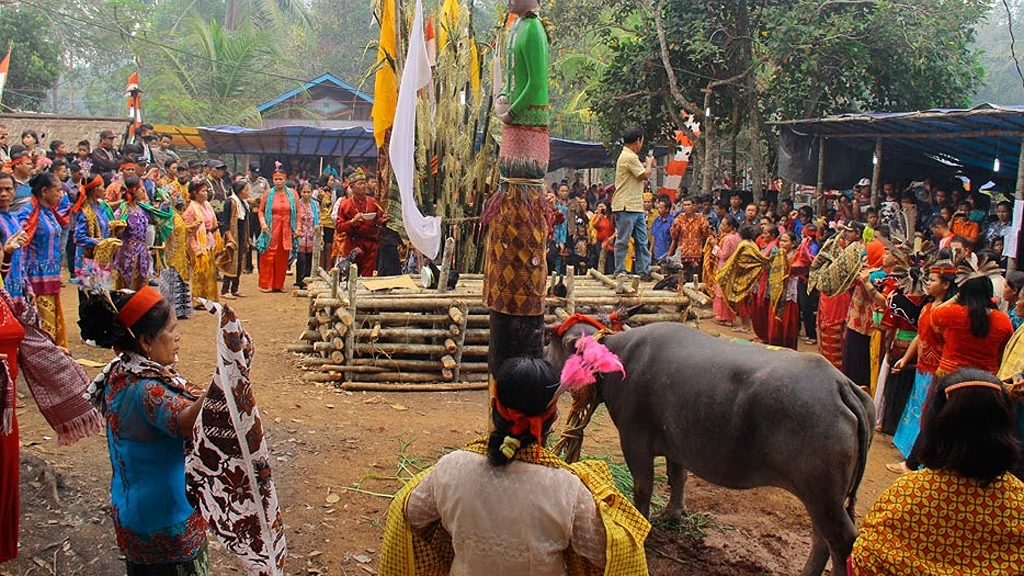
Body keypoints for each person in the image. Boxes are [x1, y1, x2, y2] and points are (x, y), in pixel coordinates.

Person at [380, 356, 650, 575]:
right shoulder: (568, 489)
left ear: (495, 405)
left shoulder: (451, 468)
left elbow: (411, 514)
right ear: (552, 417)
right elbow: (607, 553)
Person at [82, 287, 210, 575]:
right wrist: (225, 377)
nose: (177, 337)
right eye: (171, 330)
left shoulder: (120, 370)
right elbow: (186, 422)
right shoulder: (145, 389)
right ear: (146, 341)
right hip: (165, 520)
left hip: (134, 513)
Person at [849, 369, 1024, 575]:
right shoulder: (1018, 502)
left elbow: (863, 559)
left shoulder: (906, 493)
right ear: (1005, 427)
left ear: (935, 426)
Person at [889, 258, 955, 474]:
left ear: (946, 284)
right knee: (915, 408)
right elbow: (920, 335)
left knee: (928, 413)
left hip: (938, 369)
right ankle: (909, 451)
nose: (927, 283)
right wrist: (906, 359)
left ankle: (919, 458)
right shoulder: (927, 307)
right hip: (922, 366)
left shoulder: (947, 315)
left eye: (933, 280)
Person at [22, 172, 71, 347]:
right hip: (35, 277)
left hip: (50, 275)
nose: (60, 194)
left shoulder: (50, 212)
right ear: (44, 191)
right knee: (42, 322)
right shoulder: (28, 212)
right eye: (57, 190)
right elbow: (19, 243)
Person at [612, 126, 653, 278]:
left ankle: (644, 270)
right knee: (623, 240)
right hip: (626, 204)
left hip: (636, 205)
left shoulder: (629, 156)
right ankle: (620, 270)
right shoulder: (629, 156)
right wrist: (649, 163)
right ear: (638, 140)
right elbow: (644, 175)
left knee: (642, 240)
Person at [332, 168, 386, 277]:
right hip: (353, 244)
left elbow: (378, 220)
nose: (363, 186)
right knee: (352, 274)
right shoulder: (345, 204)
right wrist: (352, 222)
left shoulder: (373, 202)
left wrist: (383, 220)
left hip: (371, 243)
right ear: (351, 187)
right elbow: (339, 227)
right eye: (360, 184)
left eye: (364, 183)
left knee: (368, 274)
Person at [257, 168, 297, 292]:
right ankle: (266, 284)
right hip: (270, 229)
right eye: (276, 179)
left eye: (281, 179)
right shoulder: (268, 193)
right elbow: (261, 211)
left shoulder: (293, 194)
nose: (278, 182)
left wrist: (298, 228)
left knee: (282, 258)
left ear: (285, 180)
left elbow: (298, 212)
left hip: (286, 230)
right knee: (268, 256)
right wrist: (263, 224)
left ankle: (278, 285)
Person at [112, 177, 153, 291]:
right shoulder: (123, 210)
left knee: (141, 283)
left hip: (142, 252)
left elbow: (158, 219)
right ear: (133, 191)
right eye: (141, 190)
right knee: (127, 285)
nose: (144, 192)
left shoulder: (141, 208)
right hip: (128, 252)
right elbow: (113, 225)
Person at [182, 180, 219, 305]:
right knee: (200, 272)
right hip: (197, 242)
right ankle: (198, 300)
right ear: (195, 193)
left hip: (209, 239)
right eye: (203, 191)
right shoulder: (191, 210)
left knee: (210, 271)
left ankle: (210, 298)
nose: (206, 193)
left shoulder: (207, 205)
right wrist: (195, 247)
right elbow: (188, 232)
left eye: (206, 190)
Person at [218, 180, 250, 299]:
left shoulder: (243, 203)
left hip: (241, 235)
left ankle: (235, 288)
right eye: (246, 190)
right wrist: (230, 237)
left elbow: (245, 221)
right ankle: (225, 289)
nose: (248, 192)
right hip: (232, 235)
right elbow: (225, 222)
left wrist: (247, 237)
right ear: (239, 191)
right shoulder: (230, 202)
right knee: (230, 261)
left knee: (239, 261)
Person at [710, 216, 740, 327]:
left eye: (724, 225)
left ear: (730, 227)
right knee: (728, 293)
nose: (721, 226)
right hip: (733, 268)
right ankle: (727, 316)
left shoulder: (728, 238)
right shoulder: (737, 237)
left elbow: (724, 255)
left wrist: (715, 246)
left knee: (722, 292)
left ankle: (725, 317)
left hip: (725, 267)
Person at [293, 181, 320, 288]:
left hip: (312, 235)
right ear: (300, 192)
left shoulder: (315, 204)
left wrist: (319, 233)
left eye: (308, 192)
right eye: (304, 192)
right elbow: (294, 219)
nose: (306, 194)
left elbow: (318, 218)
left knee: (309, 259)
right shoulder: (297, 204)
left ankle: (307, 279)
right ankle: (299, 279)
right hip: (300, 235)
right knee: (301, 259)